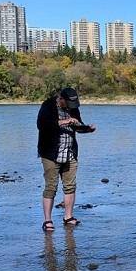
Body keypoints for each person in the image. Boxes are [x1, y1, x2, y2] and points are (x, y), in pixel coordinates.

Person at [37, 87, 96, 232]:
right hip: (50, 153)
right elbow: (42, 125)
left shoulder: (73, 108)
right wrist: (64, 122)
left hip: (70, 152)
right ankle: (47, 220)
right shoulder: (48, 106)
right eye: (68, 104)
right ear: (61, 99)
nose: (71, 108)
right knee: (51, 187)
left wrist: (86, 129)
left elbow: (76, 126)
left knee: (70, 185)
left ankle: (68, 217)